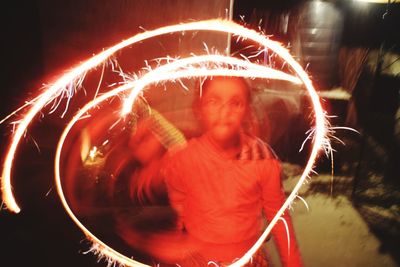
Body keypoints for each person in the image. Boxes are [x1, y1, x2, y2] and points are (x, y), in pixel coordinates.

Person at [120, 76, 303, 267]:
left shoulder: (262, 158)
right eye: (213, 102)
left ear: (247, 111)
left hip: (248, 260)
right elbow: (178, 201)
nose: (225, 112)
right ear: (199, 109)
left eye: (235, 103)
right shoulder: (185, 158)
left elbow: (280, 218)